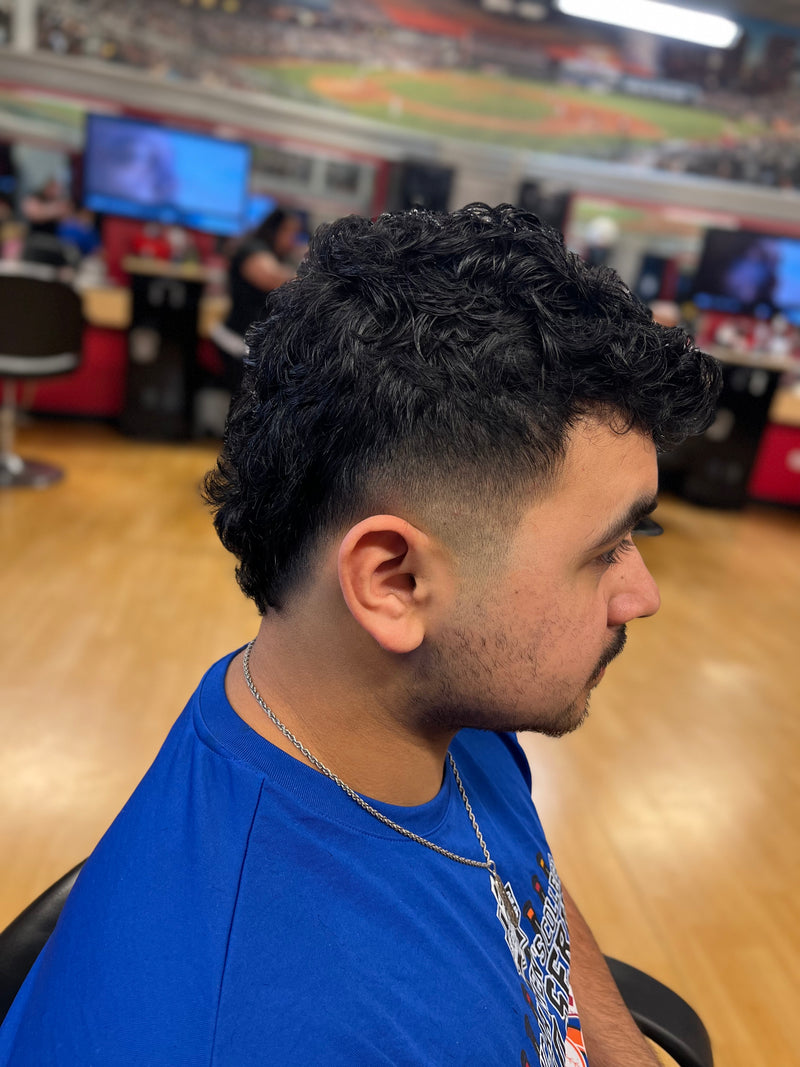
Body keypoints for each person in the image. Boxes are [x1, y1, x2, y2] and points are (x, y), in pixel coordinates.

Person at [0, 204, 721, 1066]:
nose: (642, 595)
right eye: (605, 550)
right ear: (394, 581)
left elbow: (525, 896)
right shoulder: (239, 1030)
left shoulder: (428, 708)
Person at [212, 206, 303, 393]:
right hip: (237, 341)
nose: (292, 239)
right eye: (289, 232)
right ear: (274, 229)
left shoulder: (280, 256)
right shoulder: (252, 249)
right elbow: (274, 278)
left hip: (253, 343)